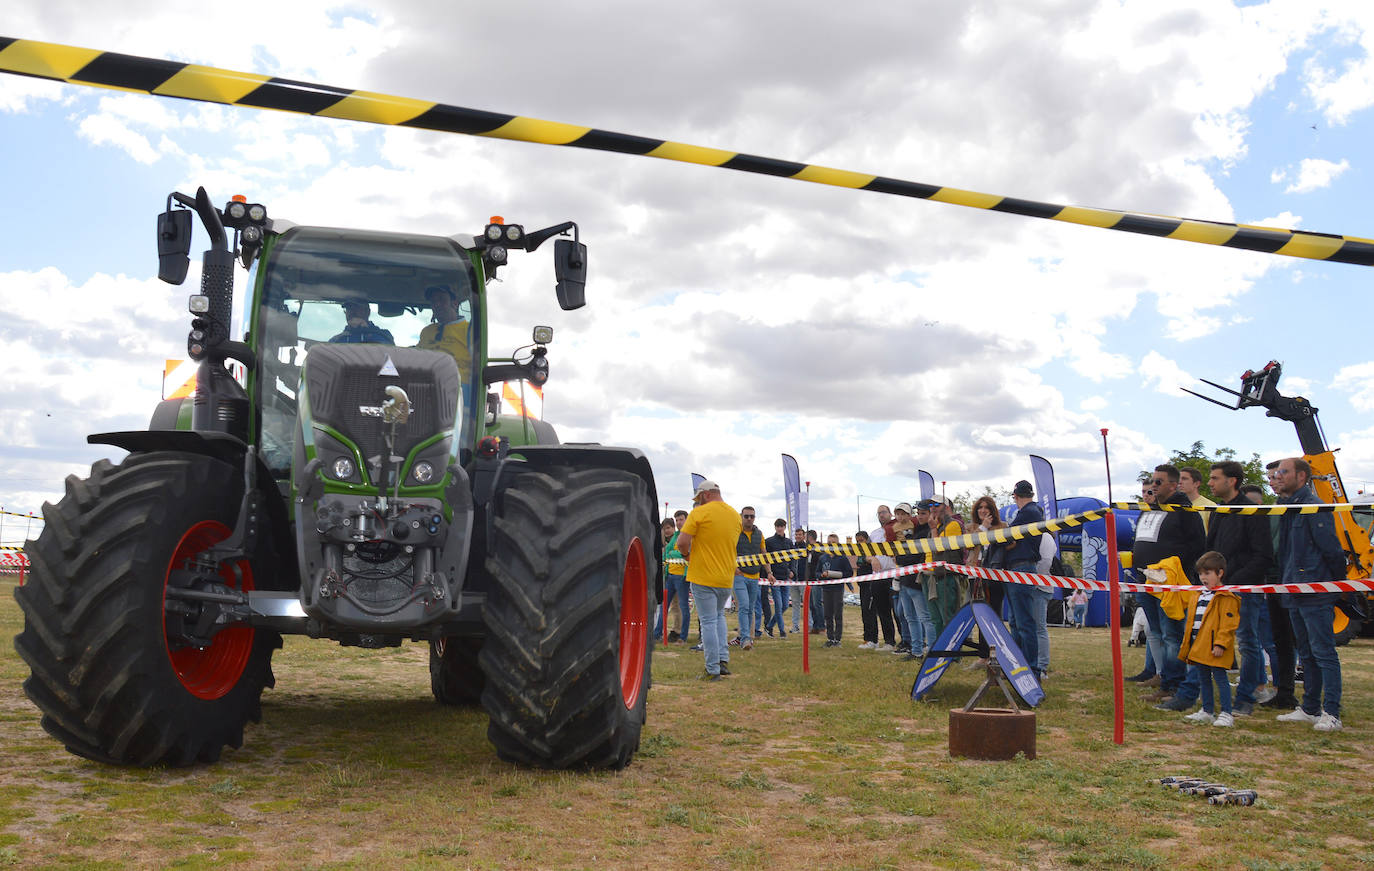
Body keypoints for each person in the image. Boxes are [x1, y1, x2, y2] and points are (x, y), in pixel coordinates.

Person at [1272, 457, 1346, 731]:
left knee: (1323, 652)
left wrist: (1335, 586)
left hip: (1315, 589)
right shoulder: (1285, 507)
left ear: (1301, 476)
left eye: (1283, 472)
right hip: (1293, 588)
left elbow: (1333, 550)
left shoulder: (1313, 505)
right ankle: (1311, 708)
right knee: (1307, 653)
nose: (1277, 476)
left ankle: (1333, 713)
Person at [1205, 460, 1274, 716]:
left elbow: (1264, 556)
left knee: (1247, 643)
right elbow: (1210, 550)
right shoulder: (1218, 511)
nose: (1210, 483)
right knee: (1215, 640)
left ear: (1231, 481)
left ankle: (1246, 697)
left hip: (1244, 589)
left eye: (1214, 478)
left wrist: (1233, 581)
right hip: (1218, 589)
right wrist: (1206, 576)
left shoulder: (1253, 511)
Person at [1135, 464, 1207, 713]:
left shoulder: (1184, 511)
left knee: (1172, 635)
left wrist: (1173, 572)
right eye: (1152, 482)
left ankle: (1175, 686)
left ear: (1173, 485)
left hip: (1171, 585)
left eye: (1158, 482)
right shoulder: (1149, 510)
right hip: (1147, 582)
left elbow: (1198, 546)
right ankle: (1165, 680)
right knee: (1157, 633)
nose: (1153, 486)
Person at [676, 480, 741, 680]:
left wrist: (687, 556)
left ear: (705, 495)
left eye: (699, 499)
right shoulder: (734, 515)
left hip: (703, 576)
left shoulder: (699, 513)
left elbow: (682, 542)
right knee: (719, 617)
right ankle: (723, 661)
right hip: (725, 578)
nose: (699, 502)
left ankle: (712, 669)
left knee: (708, 622)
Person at [1179, 551, 1241, 727]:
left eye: (1207, 573)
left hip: (1215, 647)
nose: (1203, 578)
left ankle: (1226, 713)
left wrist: (1221, 643)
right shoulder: (1198, 595)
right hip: (1198, 645)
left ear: (1220, 573)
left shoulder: (1227, 597)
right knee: (1203, 678)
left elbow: (1228, 624)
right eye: (1200, 574)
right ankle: (1207, 710)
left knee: (1220, 678)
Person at [1004, 480, 1045, 678]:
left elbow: (1008, 537)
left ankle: (1031, 668)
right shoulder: (1032, 511)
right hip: (1016, 569)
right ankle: (1020, 665)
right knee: (1016, 621)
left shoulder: (1029, 512)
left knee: (1024, 622)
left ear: (1015, 496)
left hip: (1021, 568)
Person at [892, 503, 934, 659]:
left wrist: (899, 557)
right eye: (919, 513)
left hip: (917, 581)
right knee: (909, 617)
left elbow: (915, 556)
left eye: (924, 513)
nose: (920, 516)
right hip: (904, 579)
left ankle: (931, 652)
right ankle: (916, 651)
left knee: (925, 618)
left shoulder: (929, 533)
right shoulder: (915, 531)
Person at [921, 499, 964, 638]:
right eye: (931, 505)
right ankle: (940, 651)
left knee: (948, 618)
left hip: (945, 577)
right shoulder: (936, 525)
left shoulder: (953, 525)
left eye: (936, 505)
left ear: (946, 507)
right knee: (936, 619)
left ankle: (952, 652)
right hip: (929, 576)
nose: (932, 508)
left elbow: (938, 550)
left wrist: (933, 529)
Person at [415, 284, 471, 377]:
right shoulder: (427, 331)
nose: (437, 304)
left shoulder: (469, 330)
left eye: (442, 300)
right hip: (424, 383)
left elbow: (478, 364)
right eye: (433, 302)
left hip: (459, 386)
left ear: (455, 304)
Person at [859, 514, 897, 650]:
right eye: (878, 512)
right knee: (883, 611)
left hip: (893, 575)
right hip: (877, 577)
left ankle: (907, 641)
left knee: (898, 612)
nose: (881, 515)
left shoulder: (896, 529)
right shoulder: (874, 534)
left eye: (884, 511)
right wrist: (872, 559)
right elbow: (865, 555)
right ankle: (889, 642)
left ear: (890, 514)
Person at [732, 506, 767, 649]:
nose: (749, 519)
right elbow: (728, 550)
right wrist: (734, 568)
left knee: (750, 608)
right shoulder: (735, 532)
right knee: (744, 606)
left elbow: (764, 554)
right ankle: (745, 639)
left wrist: (769, 573)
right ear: (741, 516)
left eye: (751, 516)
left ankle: (744, 637)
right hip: (739, 575)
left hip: (755, 576)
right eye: (746, 516)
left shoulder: (759, 534)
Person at [659, 518, 691, 644]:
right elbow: (667, 553)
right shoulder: (675, 536)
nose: (679, 522)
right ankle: (657, 633)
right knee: (665, 606)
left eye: (681, 520)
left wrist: (673, 553)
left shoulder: (687, 535)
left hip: (682, 576)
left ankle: (682, 636)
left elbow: (685, 552)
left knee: (682, 607)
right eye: (677, 520)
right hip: (670, 575)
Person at [819, 533, 853, 646]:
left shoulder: (842, 558)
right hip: (826, 589)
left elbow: (849, 573)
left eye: (833, 543)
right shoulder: (823, 557)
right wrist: (822, 575)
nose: (831, 545)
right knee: (827, 614)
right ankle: (830, 638)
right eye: (829, 543)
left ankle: (837, 639)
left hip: (838, 589)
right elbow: (816, 572)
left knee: (838, 614)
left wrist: (838, 575)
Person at [764, 519, 792, 639]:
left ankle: (769, 626)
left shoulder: (789, 542)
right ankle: (782, 631)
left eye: (781, 526)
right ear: (775, 527)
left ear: (785, 527)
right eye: (777, 526)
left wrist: (792, 571)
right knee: (778, 606)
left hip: (785, 578)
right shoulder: (769, 542)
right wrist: (769, 573)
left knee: (785, 605)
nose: (779, 528)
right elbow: (765, 559)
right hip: (774, 578)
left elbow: (793, 558)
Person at [329, 300, 394, 344]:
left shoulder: (383, 335)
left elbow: (388, 356)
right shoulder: (337, 340)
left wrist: (366, 330)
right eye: (349, 308)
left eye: (356, 308)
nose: (352, 312)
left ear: (367, 312)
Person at [1179, 467, 1217, 533]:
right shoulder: (1173, 505)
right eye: (1178, 479)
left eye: (1184, 479)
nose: (1180, 482)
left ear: (1196, 484)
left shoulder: (1210, 506)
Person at [789, 526, 808, 634]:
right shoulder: (791, 548)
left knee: (806, 603)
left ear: (804, 536)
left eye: (800, 534)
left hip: (803, 580)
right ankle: (795, 626)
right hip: (793, 580)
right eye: (796, 535)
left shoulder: (807, 548)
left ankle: (808, 625)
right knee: (795, 603)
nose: (798, 536)